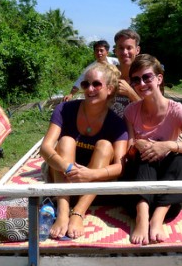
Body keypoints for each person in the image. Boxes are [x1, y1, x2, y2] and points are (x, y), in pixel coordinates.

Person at [123, 54, 182, 245]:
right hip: (138, 194)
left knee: (179, 156)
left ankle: (157, 219)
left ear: (159, 79)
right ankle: (142, 218)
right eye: (136, 79)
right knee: (144, 154)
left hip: (167, 195)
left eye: (147, 77)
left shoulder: (177, 110)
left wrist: (170, 145)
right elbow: (128, 144)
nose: (141, 83)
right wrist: (138, 143)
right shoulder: (131, 111)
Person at [41, 63, 128, 239]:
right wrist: (67, 167)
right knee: (65, 141)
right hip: (62, 176)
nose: (90, 89)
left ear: (109, 89)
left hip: (93, 182)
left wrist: (92, 175)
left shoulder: (116, 122)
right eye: (85, 84)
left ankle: (78, 212)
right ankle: (63, 212)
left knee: (105, 145)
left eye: (96, 84)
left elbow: (121, 166)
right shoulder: (65, 109)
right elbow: (45, 148)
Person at [110, 29, 142, 116]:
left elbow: (151, 110)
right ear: (115, 50)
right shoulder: (108, 75)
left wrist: (130, 93)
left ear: (137, 50)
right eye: (121, 48)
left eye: (129, 48)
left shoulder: (145, 78)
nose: (125, 52)